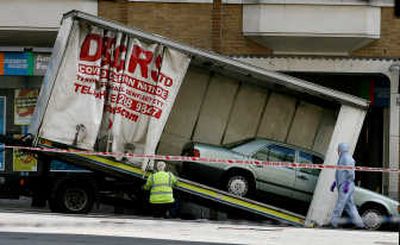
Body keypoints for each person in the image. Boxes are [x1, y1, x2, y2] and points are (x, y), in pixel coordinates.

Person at [329, 143, 364, 229]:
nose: (337, 150)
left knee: (340, 204)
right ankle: (360, 224)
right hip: (345, 184)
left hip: (346, 185)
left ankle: (334, 223)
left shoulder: (346, 158)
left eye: (338, 149)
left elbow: (350, 173)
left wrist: (347, 184)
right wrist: (335, 183)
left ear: (342, 148)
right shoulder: (342, 158)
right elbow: (340, 173)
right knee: (350, 206)